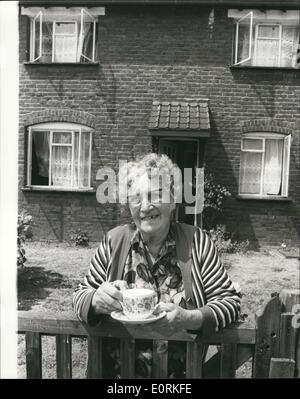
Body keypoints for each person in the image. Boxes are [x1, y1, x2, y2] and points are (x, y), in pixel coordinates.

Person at [73, 153, 241, 378]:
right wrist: (95, 300)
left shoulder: (197, 242)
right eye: (136, 198)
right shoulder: (114, 241)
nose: (145, 206)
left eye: (156, 195)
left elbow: (230, 302)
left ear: (172, 201)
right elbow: (79, 296)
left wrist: (190, 318)